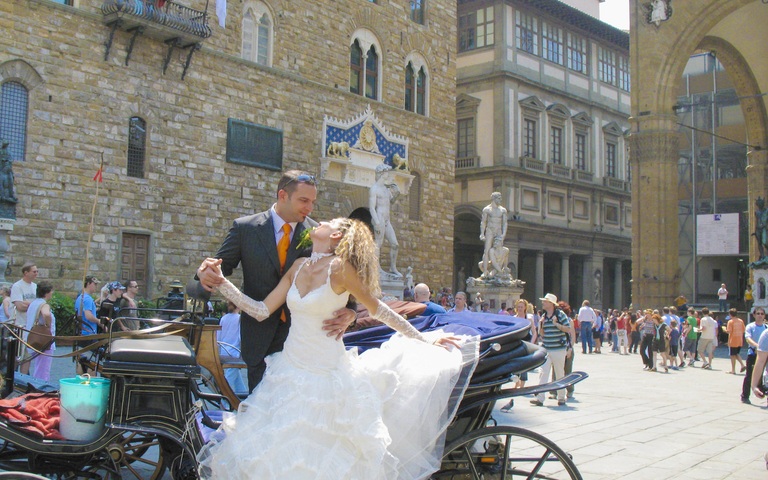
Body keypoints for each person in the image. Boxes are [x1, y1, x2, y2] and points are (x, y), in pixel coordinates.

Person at [196, 218, 477, 479]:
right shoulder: (298, 266)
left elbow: (377, 309)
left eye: (326, 222)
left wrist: (423, 338)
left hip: (327, 375)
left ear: (335, 235)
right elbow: (260, 310)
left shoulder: (340, 268)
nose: (317, 221)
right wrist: (222, 284)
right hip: (289, 372)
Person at [188, 170, 355, 392]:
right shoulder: (245, 228)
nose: (310, 208)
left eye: (313, 202)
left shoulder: (319, 233)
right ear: (282, 195)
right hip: (259, 339)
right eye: (303, 200)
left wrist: (351, 312)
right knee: (261, 411)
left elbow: (344, 280)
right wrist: (203, 277)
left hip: (304, 342)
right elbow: (218, 269)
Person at [530, 293, 570, 407]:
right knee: (543, 373)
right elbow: (541, 334)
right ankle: (540, 398)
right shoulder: (543, 315)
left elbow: (567, 329)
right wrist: (541, 324)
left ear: (551, 304)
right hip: (547, 348)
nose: (543, 303)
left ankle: (561, 397)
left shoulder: (560, 314)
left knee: (559, 373)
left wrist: (556, 324)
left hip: (559, 349)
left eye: (545, 301)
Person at [369, 163, 401, 277]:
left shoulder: (386, 189)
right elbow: (372, 207)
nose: (388, 174)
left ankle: (393, 268)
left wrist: (397, 193)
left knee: (395, 244)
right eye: (387, 172)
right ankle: (376, 268)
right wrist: (376, 222)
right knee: (378, 243)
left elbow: (391, 202)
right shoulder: (374, 189)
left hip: (387, 220)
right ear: (382, 173)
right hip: (380, 218)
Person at [25, 281, 55, 381]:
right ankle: (40, 390)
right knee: (43, 370)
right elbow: (46, 314)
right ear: (47, 292)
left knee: (38, 367)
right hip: (44, 341)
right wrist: (48, 326)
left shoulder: (33, 303)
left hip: (32, 338)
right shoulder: (44, 304)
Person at [12, 262, 38, 375]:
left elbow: (39, 305)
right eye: (34, 271)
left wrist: (28, 304)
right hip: (20, 325)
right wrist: (33, 306)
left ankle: (23, 378)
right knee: (17, 354)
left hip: (31, 326)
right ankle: (11, 376)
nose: (36, 273)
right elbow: (19, 306)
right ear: (26, 273)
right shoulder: (17, 286)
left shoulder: (35, 286)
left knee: (28, 355)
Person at [218, 301, 248, 395]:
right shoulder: (240, 319)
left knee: (236, 377)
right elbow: (240, 337)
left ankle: (242, 395)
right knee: (229, 379)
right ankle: (224, 401)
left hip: (223, 350)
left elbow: (218, 336)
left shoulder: (223, 318)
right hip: (234, 352)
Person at [74, 275, 102, 375]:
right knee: (92, 362)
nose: (96, 287)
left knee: (81, 361)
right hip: (89, 333)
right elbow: (89, 316)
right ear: (89, 283)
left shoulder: (80, 297)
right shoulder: (87, 299)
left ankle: (79, 382)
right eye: (95, 284)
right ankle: (92, 384)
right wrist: (99, 322)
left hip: (80, 333)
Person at [479, 192, 508, 277]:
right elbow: (483, 222)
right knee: (487, 250)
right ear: (494, 199)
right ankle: (485, 271)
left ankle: (500, 269)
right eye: (499, 198)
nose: (500, 200)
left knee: (500, 249)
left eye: (500, 198)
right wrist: (482, 234)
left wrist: (504, 234)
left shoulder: (503, 210)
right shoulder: (487, 209)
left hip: (498, 230)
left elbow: (505, 223)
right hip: (490, 230)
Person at [743, 307, 767, 404]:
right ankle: (745, 395)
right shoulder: (750, 326)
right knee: (749, 375)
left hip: (765, 353)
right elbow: (748, 338)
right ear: (754, 315)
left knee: (764, 374)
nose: (760, 315)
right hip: (753, 353)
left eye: (762, 314)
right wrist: (757, 345)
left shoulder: (766, 327)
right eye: (758, 313)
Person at [725, 308, 746, 375]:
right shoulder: (740, 321)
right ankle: (742, 365)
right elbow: (743, 330)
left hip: (733, 340)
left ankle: (733, 370)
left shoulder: (730, 322)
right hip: (739, 339)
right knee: (736, 353)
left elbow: (729, 331)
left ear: (730, 314)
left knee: (732, 355)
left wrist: (724, 330)